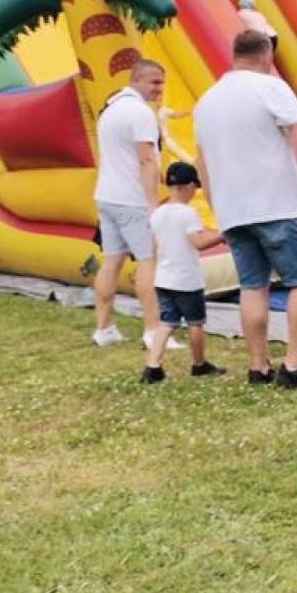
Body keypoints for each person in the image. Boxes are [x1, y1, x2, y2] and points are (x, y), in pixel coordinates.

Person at [193, 29, 297, 388]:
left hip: (233, 209)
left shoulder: (206, 101)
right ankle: (295, 364)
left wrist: (215, 205)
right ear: (267, 55)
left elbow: (201, 163)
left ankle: (258, 365)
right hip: (277, 203)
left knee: (252, 286)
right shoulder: (271, 87)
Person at [91, 59, 166, 348]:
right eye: (154, 82)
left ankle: (104, 328)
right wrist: (152, 204)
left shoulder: (109, 110)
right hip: (132, 199)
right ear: (137, 80)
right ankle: (152, 329)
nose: (159, 89)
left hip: (107, 195)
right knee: (148, 261)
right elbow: (146, 159)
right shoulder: (140, 113)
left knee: (111, 260)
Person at [144, 161, 227, 382]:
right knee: (195, 323)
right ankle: (199, 364)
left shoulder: (157, 213)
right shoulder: (187, 213)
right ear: (189, 185)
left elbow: (153, 246)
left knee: (166, 323)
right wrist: (222, 235)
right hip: (187, 279)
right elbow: (197, 242)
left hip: (163, 278)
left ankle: (152, 366)